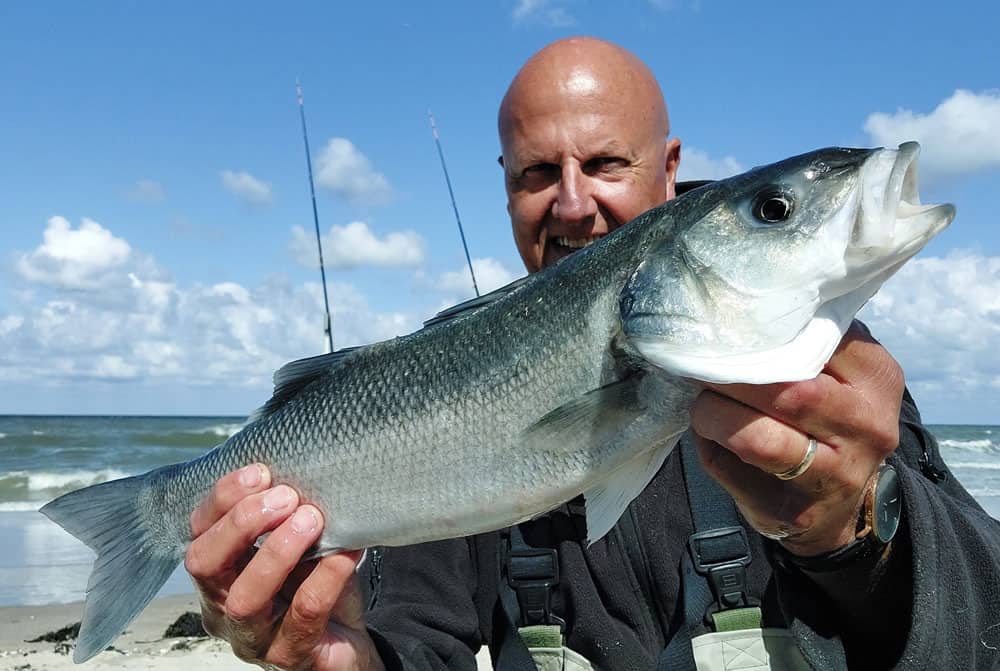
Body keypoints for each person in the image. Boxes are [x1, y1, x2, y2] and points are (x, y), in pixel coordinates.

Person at [184, 37, 1000, 670]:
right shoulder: (442, 368)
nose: (572, 202)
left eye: (605, 162)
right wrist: (344, 654)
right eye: (538, 172)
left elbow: (982, 621)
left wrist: (864, 529)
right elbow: (414, 636)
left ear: (670, 168)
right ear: (505, 185)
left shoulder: (829, 375)